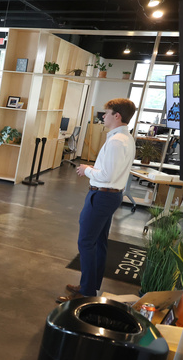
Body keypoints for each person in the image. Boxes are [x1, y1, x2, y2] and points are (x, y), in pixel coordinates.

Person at [58, 98, 137, 303]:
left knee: (86, 241)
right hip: (109, 195)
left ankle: (86, 292)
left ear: (117, 115)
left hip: (103, 194)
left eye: (107, 112)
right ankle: (90, 286)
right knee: (98, 242)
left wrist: (87, 170)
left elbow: (107, 175)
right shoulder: (125, 138)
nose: (103, 116)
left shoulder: (116, 141)